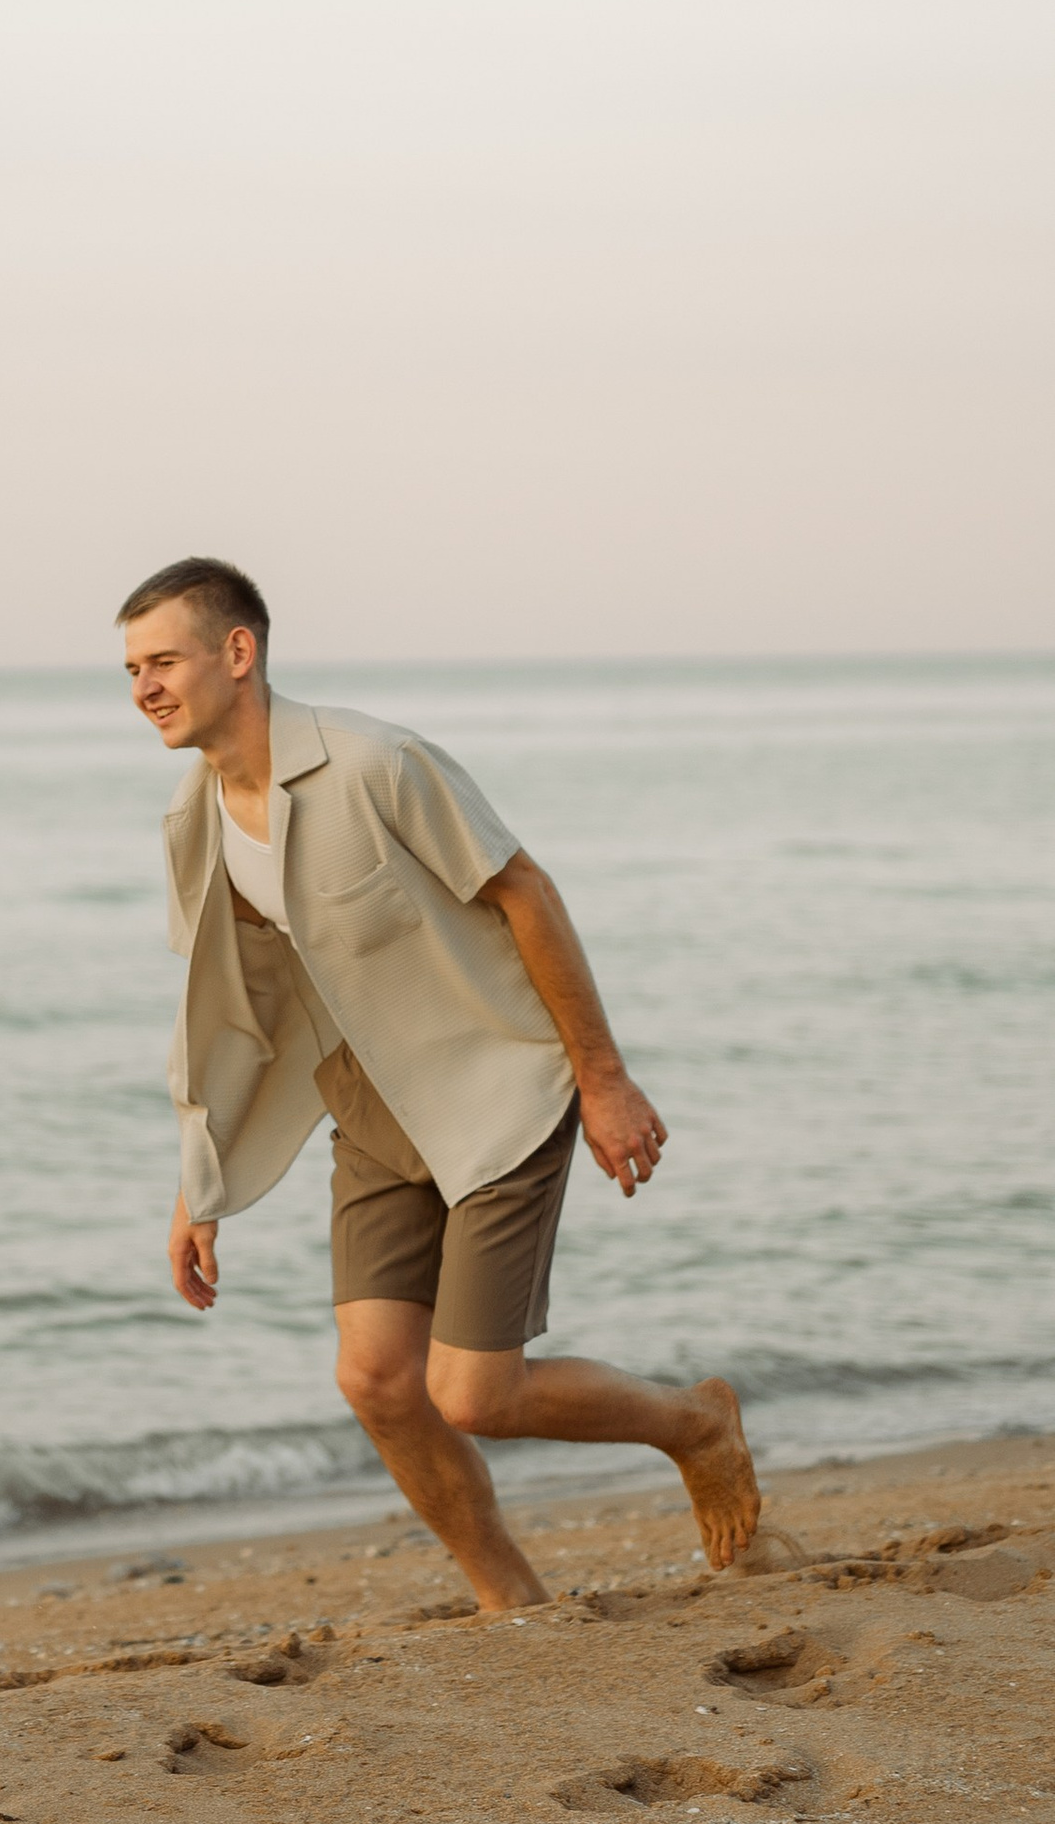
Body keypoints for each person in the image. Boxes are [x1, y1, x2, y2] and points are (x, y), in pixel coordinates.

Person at [118, 553, 758, 1611]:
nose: (143, 686)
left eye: (163, 659)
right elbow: (233, 1013)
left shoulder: (376, 761)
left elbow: (524, 891)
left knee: (474, 1392)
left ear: (238, 652)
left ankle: (697, 1423)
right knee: (374, 1379)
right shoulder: (191, 822)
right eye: (131, 667)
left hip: (494, 1088)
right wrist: (201, 1183)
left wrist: (602, 1079)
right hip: (369, 1109)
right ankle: (511, 1600)